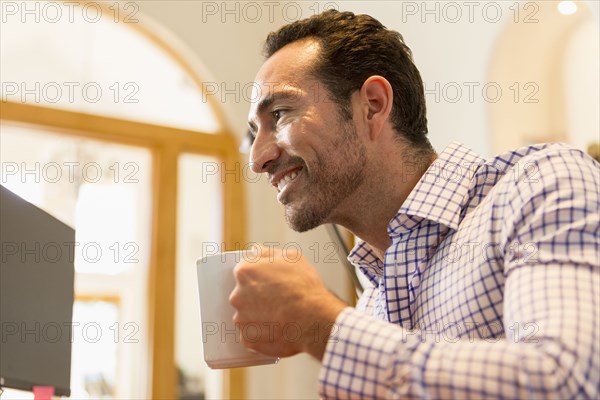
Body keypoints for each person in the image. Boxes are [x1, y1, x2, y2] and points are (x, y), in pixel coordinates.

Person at [229, 9, 600, 399]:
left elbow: (570, 382)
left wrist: (321, 325)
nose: (257, 158)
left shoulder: (542, 184)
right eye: (253, 134)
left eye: (280, 114)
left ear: (372, 104)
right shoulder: (371, 303)